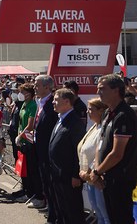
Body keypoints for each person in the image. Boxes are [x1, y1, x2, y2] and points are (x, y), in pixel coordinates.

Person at [90, 74, 137, 223]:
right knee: (110, 216)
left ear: (116, 90)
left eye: (102, 89)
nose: (98, 92)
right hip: (106, 176)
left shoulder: (124, 115)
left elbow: (117, 154)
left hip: (120, 179)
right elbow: (100, 144)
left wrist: (97, 171)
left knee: (121, 218)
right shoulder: (107, 113)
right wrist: (97, 170)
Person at [47, 88, 86, 223]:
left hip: (69, 176)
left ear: (67, 101)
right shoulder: (60, 119)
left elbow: (78, 151)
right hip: (57, 173)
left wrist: (76, 175)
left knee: (72, 210)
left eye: (56, 100)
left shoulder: (74, 122)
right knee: (61, 209)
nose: (53, 102)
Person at [78, 98, 110, 224]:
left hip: (97, 178)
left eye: (90, 109)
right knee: (99, 214)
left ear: (101, 110)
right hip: (89, 177)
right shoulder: (94, 127)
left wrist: (93, 173)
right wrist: (83, 171)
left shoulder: (104, 128)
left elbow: (101, 153)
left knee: (105, 215)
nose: (87, 112)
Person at [31, 75, 58, 216]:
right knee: (44, 180)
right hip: (39, 147)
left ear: (47, 87)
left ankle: (54, 211)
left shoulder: (53, 103)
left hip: (49, 150)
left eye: (37, 85)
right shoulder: (40, 101)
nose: (34, 87)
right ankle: (49, 206)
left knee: (50, 181)